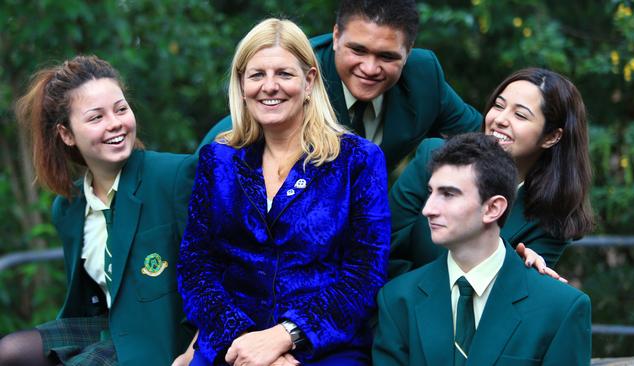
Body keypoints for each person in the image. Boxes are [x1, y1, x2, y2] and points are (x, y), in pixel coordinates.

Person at [178, 18, 390, 366]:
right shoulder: (219, 160)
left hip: (323, 347)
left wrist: (286, 336)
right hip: (232, 343)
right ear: (242, 85)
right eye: (257, 75)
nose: (269, 86)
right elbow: (196, 265)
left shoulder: (358, 160)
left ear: (309, 81)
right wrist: (245, 342)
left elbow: (364, 276)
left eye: (284, 74)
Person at [0, 56, 195, 365]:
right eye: (96, 117)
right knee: (10, 352)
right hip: (108, 329)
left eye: (121, 109)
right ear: (66, 134)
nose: (115, 123)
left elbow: (221, 274)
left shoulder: (173, 176)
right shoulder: (68, 209)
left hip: (163, 336)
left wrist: (193, 353)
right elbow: (87, 303)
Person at [373, 133, 592, 366]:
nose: (428, 209)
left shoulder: (560, 307)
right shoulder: (397, 300)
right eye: (431, 192)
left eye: (448, 194)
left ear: (492, 208)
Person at [199, 0, 483, 173]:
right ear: (336, 37)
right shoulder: (295, 75)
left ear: (408, 52)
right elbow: (233, 131)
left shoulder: (424, 75)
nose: (370, 69)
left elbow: (483, 140)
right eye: (357, 51)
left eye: (386, 56)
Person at [389, 68, 594, 278]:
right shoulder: (433, 157)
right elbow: (385, 246)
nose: (500, 119)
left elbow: (512, 295)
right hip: (396, 301)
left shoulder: (553, 217)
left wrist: (519, 270)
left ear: (551, 137)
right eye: (498, 105)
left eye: (520, 115)